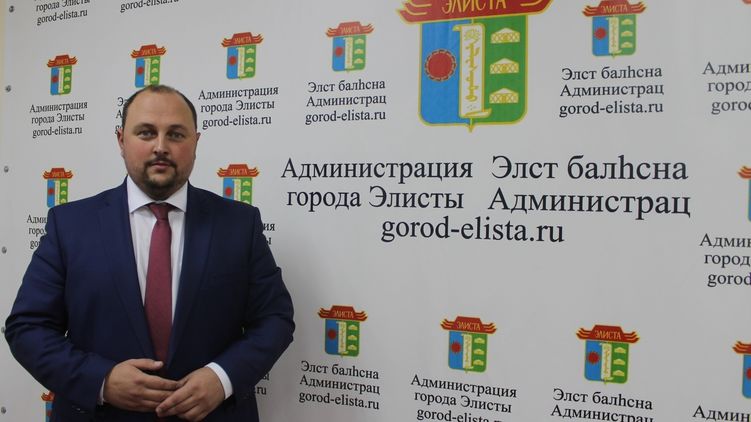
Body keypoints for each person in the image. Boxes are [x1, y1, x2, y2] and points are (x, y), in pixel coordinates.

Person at [5, 85, 294, 421]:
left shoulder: (239, 224)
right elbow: (28, 327)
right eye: (146, 132)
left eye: (176, 134)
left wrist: (222, 378)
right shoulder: (69, 225)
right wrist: (101, 380)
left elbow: (275, 319)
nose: (161, 146)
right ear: (121, 140)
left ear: (196, 142)